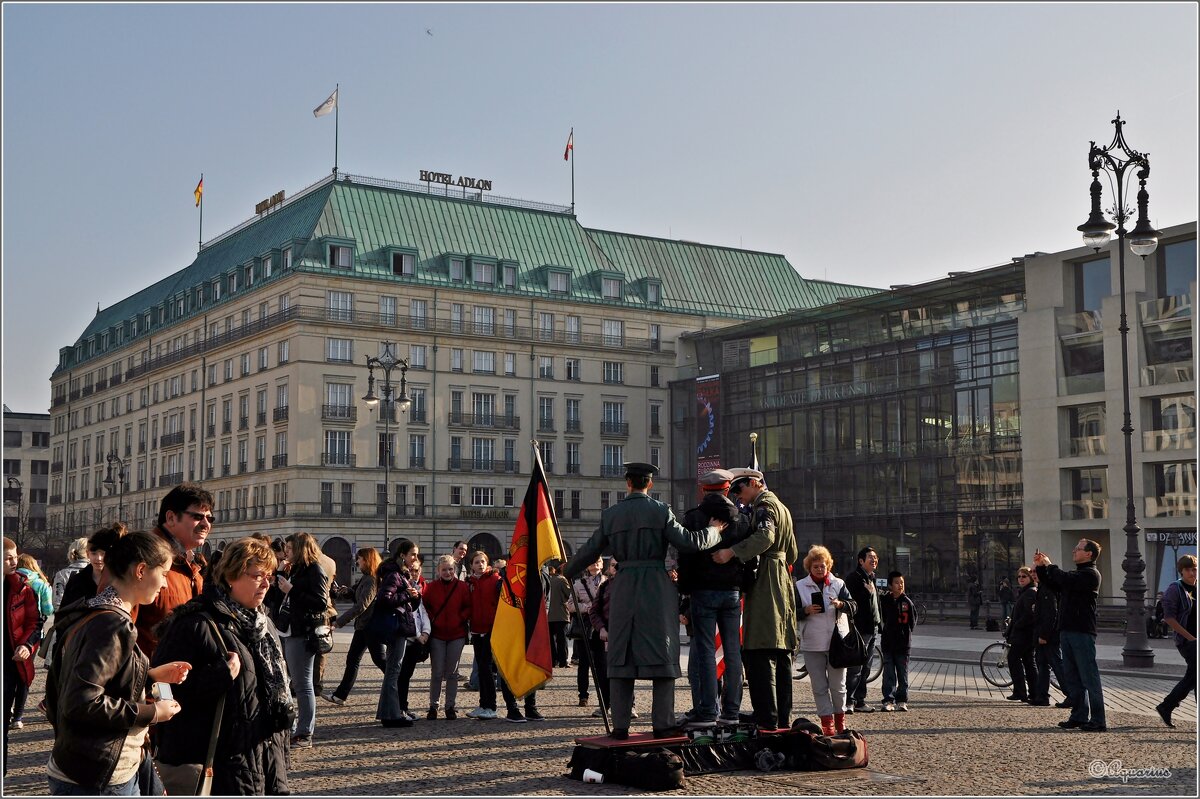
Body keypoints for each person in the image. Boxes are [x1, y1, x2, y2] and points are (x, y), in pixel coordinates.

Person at [564, 462, 723, 740]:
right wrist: (714, 532)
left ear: (627, 483)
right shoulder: (660, 510)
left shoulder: (611, 514)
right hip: (655, 588)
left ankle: (621, 725)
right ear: (649, 484)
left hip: (623, 586)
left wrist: (564, 571)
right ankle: (662, 723)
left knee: (620, 652)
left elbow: (590, 551)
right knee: (662, 652)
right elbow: (688, 541)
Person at [44, 530, 191, 795]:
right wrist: (153, 713)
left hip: (95, 766)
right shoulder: (111, 624)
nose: (165, 585)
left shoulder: (97, 611)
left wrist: (151, 675)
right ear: (142, 570)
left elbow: (97, 680)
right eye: (165, 573)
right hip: (96, 774)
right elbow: (82, 702)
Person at [151, 537, 293, 795]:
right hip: (219, 765)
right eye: (257, 575)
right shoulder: (195, 624)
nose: (266, 583)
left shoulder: (264, 625)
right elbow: (162, 691)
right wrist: (217, 677)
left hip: (266, 759)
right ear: (231, 575)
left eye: (269, 576)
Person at [713, 469, 798, 731]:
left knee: (758, 649)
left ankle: (766, 717)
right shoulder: (783, 507)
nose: (739, 498)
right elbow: (792, 551)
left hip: (766, 580)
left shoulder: (764, 506)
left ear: (753, 484)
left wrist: (732, 552)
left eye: (740, 491)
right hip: (782, 578)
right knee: (781, 651)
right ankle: (782, 716)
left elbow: (765, 536)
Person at [676, 468, 750, 728]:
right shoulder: (742, 518)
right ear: (727, 489)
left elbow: (684, 555)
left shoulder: (694, 517)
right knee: (732, 651)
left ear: (703, 490)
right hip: (731, 591)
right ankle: (731, 711)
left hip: (702, 591)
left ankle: (708, 710)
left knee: (706, 650)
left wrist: (684, 588)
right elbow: (749, 556)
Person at [1034, 539, 1106, 732]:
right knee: (1073, 677)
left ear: (1089, 554)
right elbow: (1055, 584)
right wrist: (1041, 568)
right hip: (1066, 630)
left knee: (1089, 677)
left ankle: (1098, 719)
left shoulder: (1091, 574)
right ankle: (1079, 715)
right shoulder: (1076, 574)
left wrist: (1049, 564)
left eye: (1078, 548)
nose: (1074, 551)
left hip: (1082, 631)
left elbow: (1064, 579)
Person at [136, 483, 214, 659]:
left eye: (210, 518)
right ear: (171, 517)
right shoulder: (141, 556)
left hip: (177, 676)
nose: (205, 524)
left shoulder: (186, 562)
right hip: (151, 678)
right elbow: (116, 629)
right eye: (197, 516)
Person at [465, 551, 544, 723]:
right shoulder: (470, 583)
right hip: (477, 630)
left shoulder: (495, 581)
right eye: (476, 562)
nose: (480, 564)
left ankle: (496, 707)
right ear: (471, 565)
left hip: (495, 629)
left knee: (498, 669)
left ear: (488, 564)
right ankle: (484, 704)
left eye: (483, 561)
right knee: (483, 669)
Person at [275, 532, 331, 748]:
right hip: (289, 628)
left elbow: (320, 602)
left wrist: (292, 589)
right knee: (290, 682)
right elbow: (278, 598)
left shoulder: (315, 569)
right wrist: (279, 575)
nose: (286, 552)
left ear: (300, 548)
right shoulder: (296, 568)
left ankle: (305, 732)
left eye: (289, 548)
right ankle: (296, 726)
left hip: (303, 632)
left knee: (303, 684)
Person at [795, 545, 855, 735]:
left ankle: (840, 721)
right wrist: (805, 611)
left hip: (837, 643)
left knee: (838, 687)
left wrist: (841, 604)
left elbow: (854, 606)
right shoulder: (799, 586)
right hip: (813, 644)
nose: (820, 569)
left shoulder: (838, 584)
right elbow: (790, 613)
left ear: (828, 565)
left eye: (823, 566)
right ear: (809, 568)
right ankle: (827, 724)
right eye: (816, 567)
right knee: (819, 687)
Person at [325, 547, 385, 705]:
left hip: (370, 627)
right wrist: (348, 592)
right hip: (363, 627)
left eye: (359, 559)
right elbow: (358, 595)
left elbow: (361, 606)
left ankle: (399, 683)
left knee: (380, 660)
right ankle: (340, 695)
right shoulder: (366, 578)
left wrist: (339, 622)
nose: (357, 562)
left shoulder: (372, 579)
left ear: (367, 560)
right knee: (353, 660)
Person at [375, 540, 423, 727]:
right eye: (413, 554)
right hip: (396, 629)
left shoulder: (401, 575)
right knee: (394, 671)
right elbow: (384, 599)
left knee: (392, 671)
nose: (415, 558)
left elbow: (407, 605)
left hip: (400, 627)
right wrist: (406, 596)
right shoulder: (394, 575)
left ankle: (388, 712)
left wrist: (414, 597)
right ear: (402, 555)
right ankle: (392, 715)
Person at [4, 538, 43, 765]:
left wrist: (27, 645)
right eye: (8, 557)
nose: (14, 561)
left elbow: (35, 622)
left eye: (15, 556)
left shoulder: (23, 589)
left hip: (9, 666)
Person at [423, 553, 471, 720]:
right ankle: (433, 706)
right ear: (438, 570)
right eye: (444, 569)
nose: (448, 572)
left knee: (452, 673)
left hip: (456, 634)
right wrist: (431, 620)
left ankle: (450, 706)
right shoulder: (431, 588)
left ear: (455, 569)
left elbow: (468, 606)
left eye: (450, 569)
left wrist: (460, 618)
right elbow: (425, 606)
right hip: (437, 635)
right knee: (436, 672)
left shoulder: (462, 587)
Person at [9, 554, 53, 730]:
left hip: (10, 631)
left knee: (8, 673)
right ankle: (18, 716)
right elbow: (49, 609)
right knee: (24, 675)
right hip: (32, 634)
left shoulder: (9, 580)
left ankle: (8, 707)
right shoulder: (40, 583)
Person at [1156, 554, 1197, 728]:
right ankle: (1166, 706)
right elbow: (1169, 618)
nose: (1192, 573)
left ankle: (1166, 706)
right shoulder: (1175, 589)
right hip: (1188, 641)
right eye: (1188, 569)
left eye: (1194, 569)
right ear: (1181, 571)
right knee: (1195, 676)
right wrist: (1191, 638)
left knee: (1194, 677)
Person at [393, 545, 430, 722]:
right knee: (400, 676)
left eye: (417, 571)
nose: (414, 574)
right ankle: (398, 709)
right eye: (412, 571)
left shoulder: (419, 589)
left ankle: (403, 708)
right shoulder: (404, 587)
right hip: (405, 638)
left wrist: (426, 633)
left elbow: (422, 615)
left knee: (406, 676)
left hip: (416, 640)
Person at [844, 546, 882, 714]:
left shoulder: (871, 578)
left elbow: (876, 604)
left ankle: (860, 700)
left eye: (875, 557)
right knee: (856, 667)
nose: (874, 560)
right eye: (870, 557)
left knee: (866, 667)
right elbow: (851, 603)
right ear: (861, 561)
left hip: (872, 628)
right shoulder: (855, 578)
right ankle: (848, 701)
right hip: (860, 628)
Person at [587, 557, 625, 720]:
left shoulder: (630, 586)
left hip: (624, 636)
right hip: (605, 636)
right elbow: (594, 612)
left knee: (625, 672)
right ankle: (605, 703)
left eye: (618, 565)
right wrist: (601, 628)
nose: (615, 568)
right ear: (608, 568)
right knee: (603, 672)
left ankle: (628, 705)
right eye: (612, 565)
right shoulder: (604, 587)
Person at [60, 524, 125, 609]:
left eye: (103, 553)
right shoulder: (76, 581)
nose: (98, 558)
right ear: (87, 554)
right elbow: (64, 614)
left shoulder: (120, 582)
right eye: (94, 553)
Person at [569, 556, 605, 710]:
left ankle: (604, 696)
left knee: (601, 664)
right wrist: (588, 608)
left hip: (602, 627)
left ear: (602, 564)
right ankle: (583, 695)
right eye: (591, 561)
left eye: (597, 561)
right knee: (583, 663)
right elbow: (570, 605)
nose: (594, 563)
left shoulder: (608, 583)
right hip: (585, 626)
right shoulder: (578, 584)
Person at [879, 570, 915, 713]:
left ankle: (902, 700)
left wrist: (904, 633)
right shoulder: (885, 601)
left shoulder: (907, 602)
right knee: (888, 673)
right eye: (896, 583)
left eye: (902, 582)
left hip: (903, 644)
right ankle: (888, 700)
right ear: (890, 585)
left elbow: (912, 623)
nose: (900, 585)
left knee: (902, 673)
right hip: (888, 643)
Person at [1030, 568, 1064, 707]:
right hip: (1042, 634)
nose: (1033, 574)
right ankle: (1042, 696)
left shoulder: (1047, 589)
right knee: (1042, 665)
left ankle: (1072, 694)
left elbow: (1051, 613)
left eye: (1035, 571)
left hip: (1048, 636)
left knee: (1057, 665)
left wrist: (1044, 635)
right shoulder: (1042, 589)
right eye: (1032, 571)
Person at [1004, 567, 1038, 703]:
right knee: (1028, 662)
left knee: (1014, 659)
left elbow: (1029, 614)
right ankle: (1030, 692)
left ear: (1030, 578)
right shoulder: (1025, 592)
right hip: (1024, 634)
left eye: (1024, 576)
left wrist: (1017, 624)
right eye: (1019, 577)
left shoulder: (1030, 592)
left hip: (1024, 634)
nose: (1021, 579)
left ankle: (1021, 691)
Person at [52, 537, 90, 610]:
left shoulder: (62, 574)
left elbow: (57, 603)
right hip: (93, 618)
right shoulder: (98, 573)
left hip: (68, 618)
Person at [546, 562, 571, 669]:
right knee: (562, 640)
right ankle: (563, 661)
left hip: (548, 615)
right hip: (561, 614)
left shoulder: (545, 580)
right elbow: (569, 594)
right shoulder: (562, 580)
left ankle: (552, 661)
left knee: (550, 640)